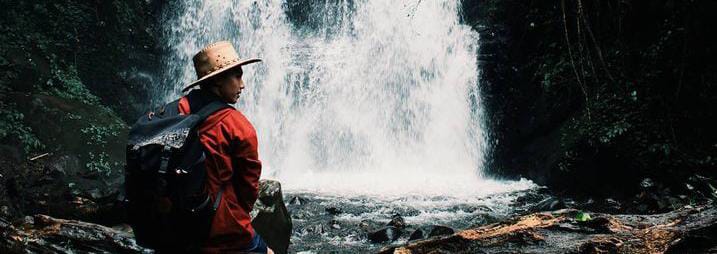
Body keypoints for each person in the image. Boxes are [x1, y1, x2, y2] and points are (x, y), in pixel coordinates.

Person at [177, 41, 273, 254]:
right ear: (218, 80)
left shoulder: (176, 110)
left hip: (175, 224)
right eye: (237, 76)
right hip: (220, 230)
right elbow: (248, 188)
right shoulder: (237, 125)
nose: (243, 84)